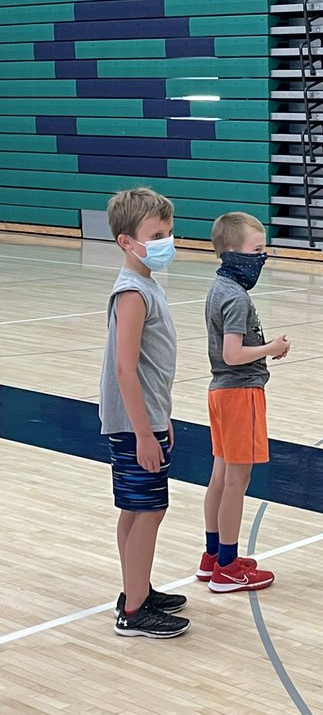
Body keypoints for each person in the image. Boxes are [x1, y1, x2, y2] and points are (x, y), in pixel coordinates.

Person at [99, 186, 190, 638]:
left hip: (147, 417)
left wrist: (161, 417)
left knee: (136, 511)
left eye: (168, 232)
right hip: (135, 426)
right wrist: (142, 433)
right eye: (157, 234)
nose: (166, 242)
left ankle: (136, 589)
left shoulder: (145, 284)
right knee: (149, 511)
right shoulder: (132, 292)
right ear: (126, 241)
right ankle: (135, 612)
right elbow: (124, 368)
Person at [199, 212, 291, 592]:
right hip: (239, 392)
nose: (262, 258)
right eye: (257, 250)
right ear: (233, 252)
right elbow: (233, 353)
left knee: (220, 476)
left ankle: (212, 556)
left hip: (220, 392)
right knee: (238, 480)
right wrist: (272, 348)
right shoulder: (236, 298)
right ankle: (227, 567)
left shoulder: (218, 289)